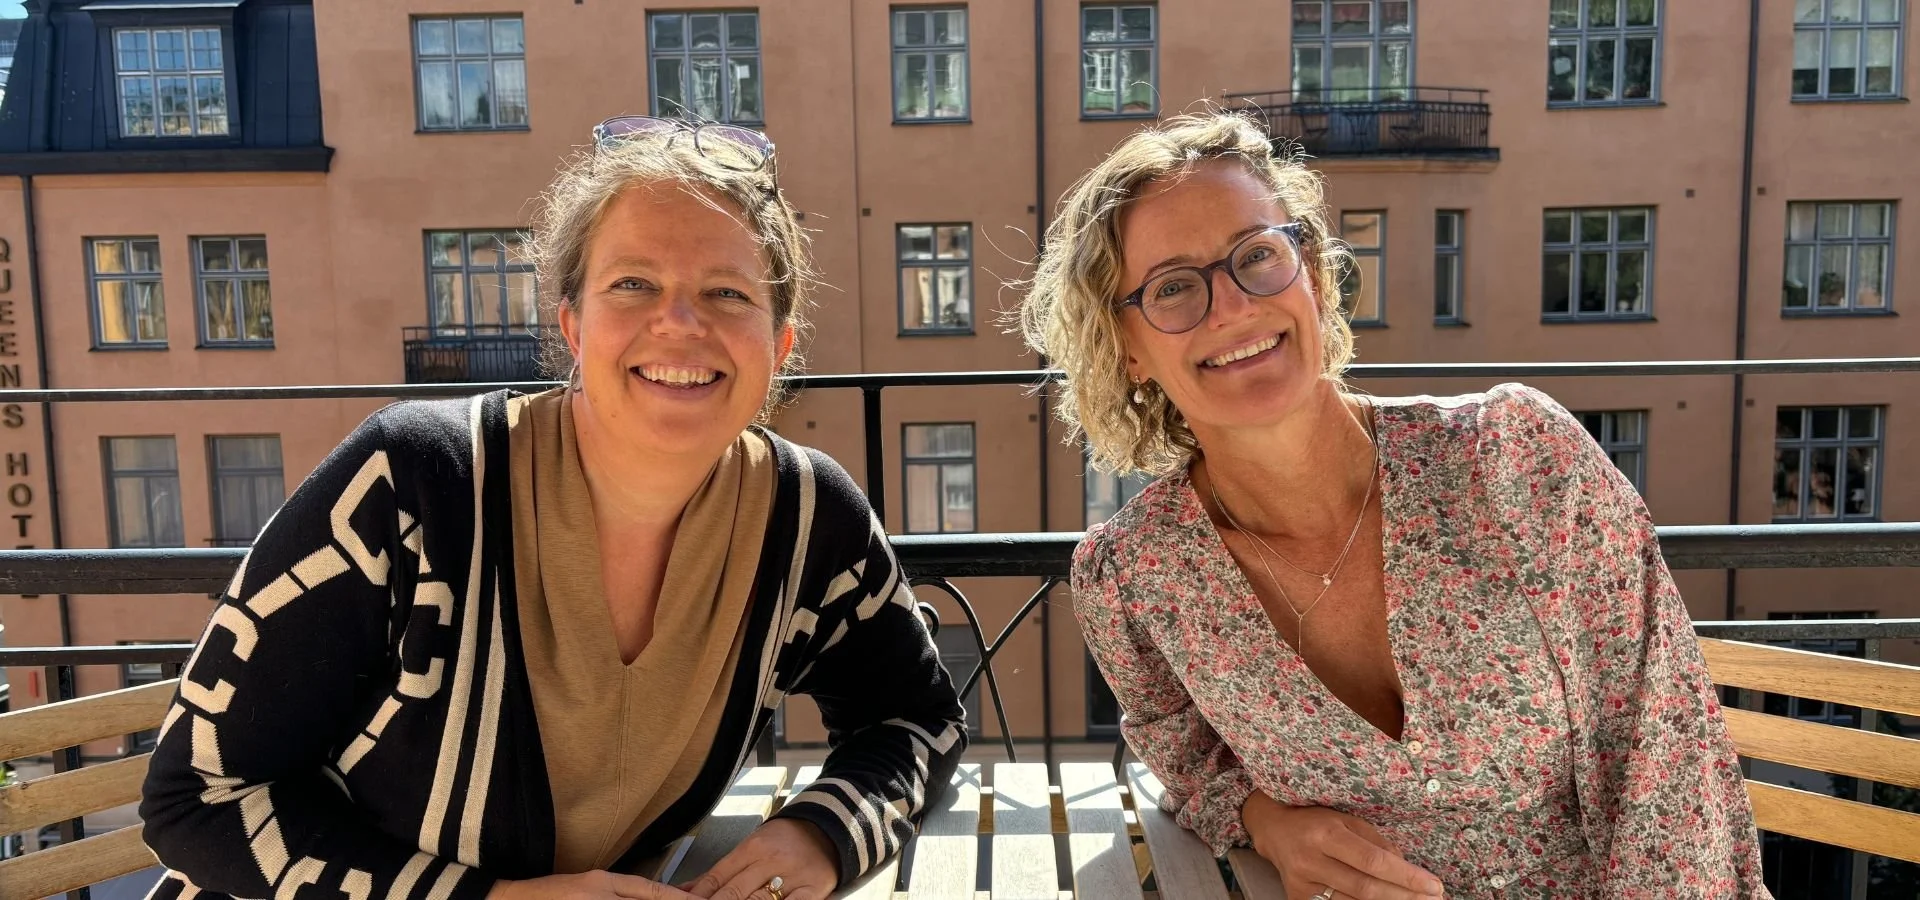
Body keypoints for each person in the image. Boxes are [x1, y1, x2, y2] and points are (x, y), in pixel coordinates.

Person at [141, 117, 968, 900]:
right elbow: (197, 798)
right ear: (574, 327)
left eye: (726, 292)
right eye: (633, 283)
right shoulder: (414, 484)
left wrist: (823, 831)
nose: (679, 323)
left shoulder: (807, 520)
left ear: (779, 346)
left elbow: (916, 718)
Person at [1019, 111, 1769, 899]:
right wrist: (1261, 819)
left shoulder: (1517, 460)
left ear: (1312, 275)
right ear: (1127, 349)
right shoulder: (1132, 578)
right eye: (1173, 287)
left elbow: (1668, 773)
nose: (1232, 306)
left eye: (1258, 255)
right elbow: (1185, 759)